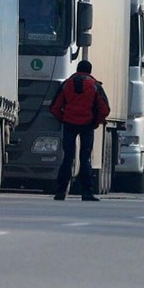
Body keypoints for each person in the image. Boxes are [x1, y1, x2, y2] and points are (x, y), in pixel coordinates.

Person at [49, 60, 110, 201]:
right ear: (89, 71)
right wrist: (96, 122)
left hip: (69, 124)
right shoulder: (95, 86)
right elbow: (105, 109)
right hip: (87, 125)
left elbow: (54, 107)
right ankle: (86, 192)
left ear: (77, 69)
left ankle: (61, 191)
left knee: (68, 158)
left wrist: (63, 118)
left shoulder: (66, 84)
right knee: (85, 159)